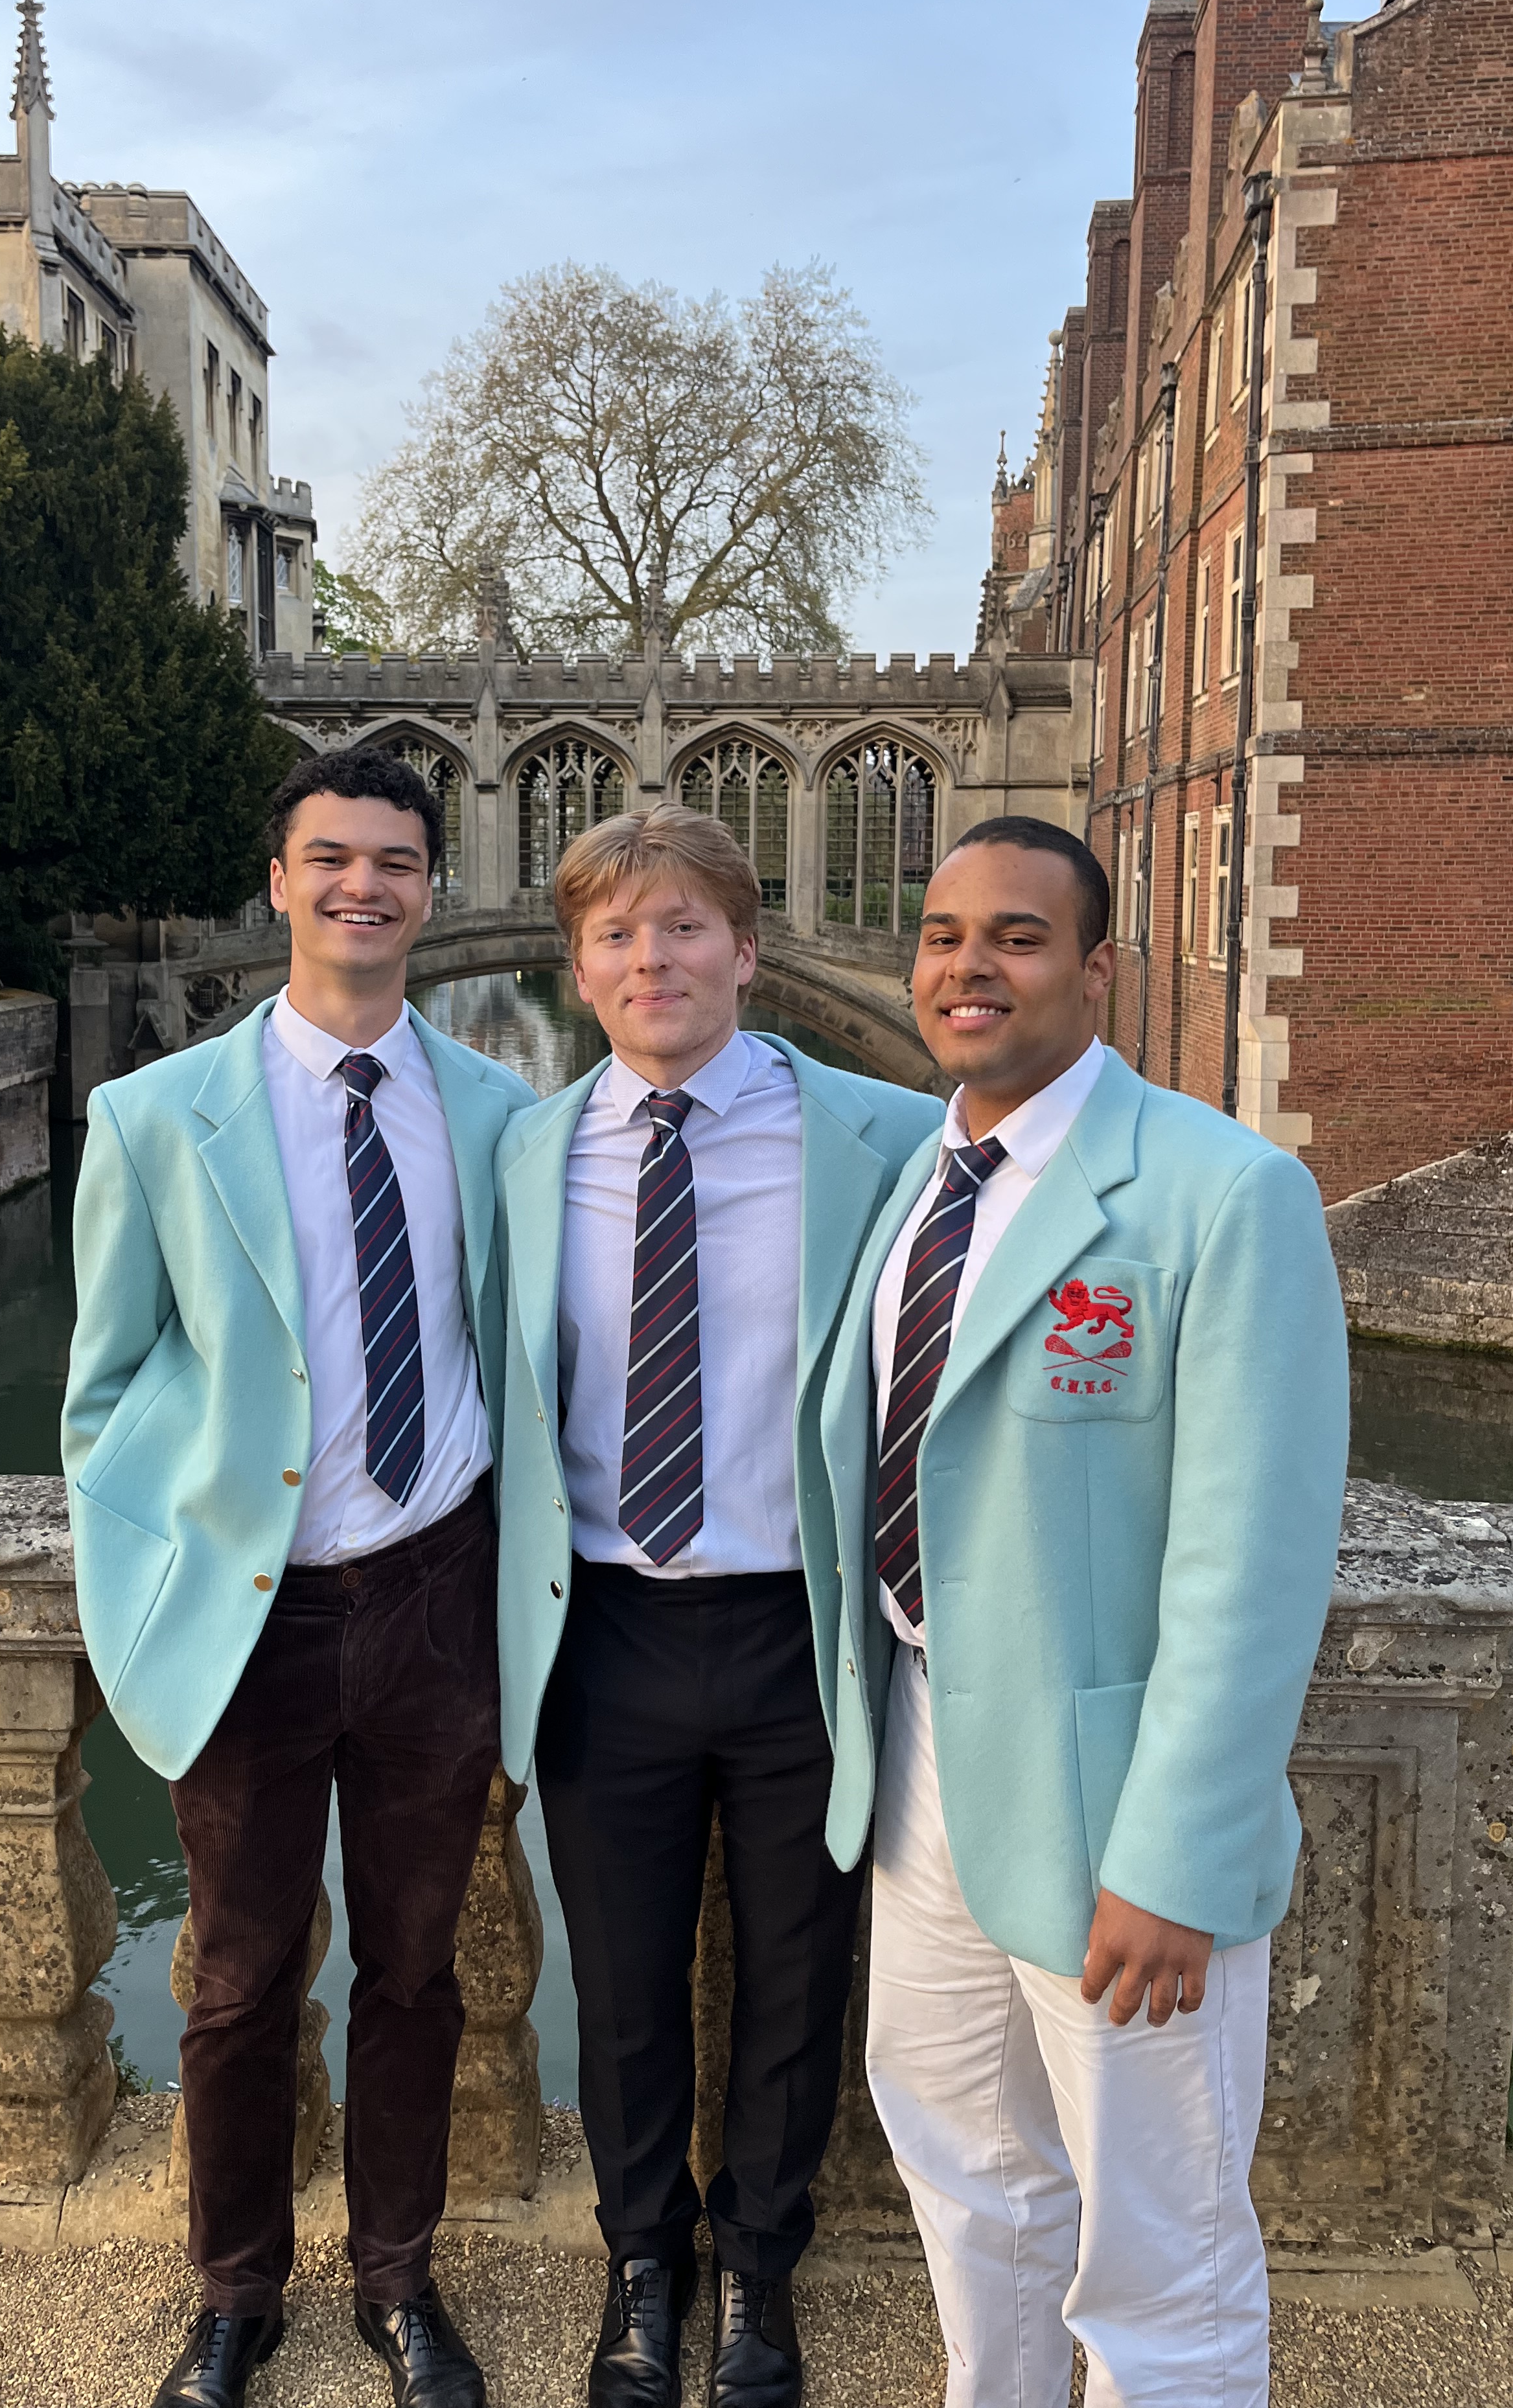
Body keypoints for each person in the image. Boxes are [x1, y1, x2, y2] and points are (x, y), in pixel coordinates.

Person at [818, 816, 1348, 2408]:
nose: (967, 966)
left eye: (1018, 936)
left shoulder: (1225, 1192)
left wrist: (1179, 1851)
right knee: (967, 2170)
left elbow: (1253, 1563)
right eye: (941, 935)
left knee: (1159, 2244)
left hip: (1118, 1800)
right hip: (923, 1749)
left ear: (1099, 968)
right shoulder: (921, 1178)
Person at [64, 745, 533, 2408]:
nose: (362, 886)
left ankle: (399, 2281)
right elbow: (104, 1393)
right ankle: (235, 2295)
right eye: (331, 857)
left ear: (432, 890)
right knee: (240, 1977)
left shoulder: (501, 1115)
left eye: (395, 861)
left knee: (415, 1968)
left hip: (435, 1596)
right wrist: (149, 1584)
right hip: (250, 1614)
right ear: (280, 885)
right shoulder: (154, 1117)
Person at [494, 805, 942, 2408]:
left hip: (797, 1629)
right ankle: (642, 2263)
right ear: (580, 970)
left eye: (683, 926)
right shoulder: (526, 1152)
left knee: (798, 1974)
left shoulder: (884, 1135)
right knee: (622, 1985)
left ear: (747, 951)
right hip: (604, 1626)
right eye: (616, 935)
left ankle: (759, 2264)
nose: (652, 960)